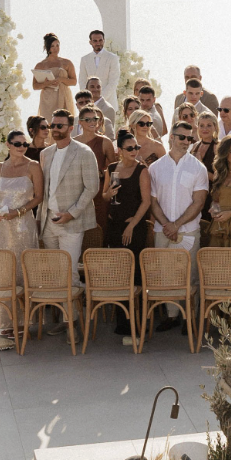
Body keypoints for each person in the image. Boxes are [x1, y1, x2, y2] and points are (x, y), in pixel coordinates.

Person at [148, 120, 208, 330]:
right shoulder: (155, 168)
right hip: (162, 230)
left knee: (190, 275)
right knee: (166, 275)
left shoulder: (198, 168)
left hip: (188, 231)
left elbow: (199, 202)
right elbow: (152, 201)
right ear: (171, 137)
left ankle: (189, 318)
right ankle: (172, 316)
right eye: (182, 137)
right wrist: (167, 225)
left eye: (190, 138)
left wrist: (177, 225)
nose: (186, 141)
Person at [0, 130, 44, 348]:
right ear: (8, 145)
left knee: (23, 269)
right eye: (17, 144)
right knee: (5, 271)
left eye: (25, 144)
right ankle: (6, 321)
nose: (22, 147)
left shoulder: (33, 166)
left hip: (24, 227)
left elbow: (39, 197)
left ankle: (25, 321)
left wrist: (18, 213)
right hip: (3, 227)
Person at [37, 110, 99, 297]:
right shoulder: (46, 153)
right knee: (54, 272)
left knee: (70, 272)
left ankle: (72, 314)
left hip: (72, 222)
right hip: (49, 221)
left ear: (71, 128)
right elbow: (44, 189)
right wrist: (40, 218)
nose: (55, 129)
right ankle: (60, 312)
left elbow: (92, 187)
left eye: (59, 125)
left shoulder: (84, 152)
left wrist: (71, 214)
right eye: (52, 125)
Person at [102, 129, 151, 342]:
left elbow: (146, 201)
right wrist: (109, 194)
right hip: (114, 226)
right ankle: (122, 322)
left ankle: (137, 324)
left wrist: (132, 225)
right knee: (120, 273)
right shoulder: (112, 169)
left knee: (136, 274)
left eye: (136, 147)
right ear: (120, 150)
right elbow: (104, 196)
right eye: (129, 148)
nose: (134, 151)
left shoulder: (142, 170)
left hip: (134, 227)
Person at [76, 107, 118, 239]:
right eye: (88, 119)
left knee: (100, 227)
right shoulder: (73, 143)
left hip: (99, 191)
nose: (92, 122)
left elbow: (114, 169)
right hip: (78, 191)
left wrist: (102, 173)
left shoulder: (105, 142)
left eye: (95, 119)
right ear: (80, 122)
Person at [33, 34, 76, 121]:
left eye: (57, 45)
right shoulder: (40, 65)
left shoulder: (67, 62)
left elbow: (74, 81)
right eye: (52, 46)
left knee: (65, 121)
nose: (55, 48)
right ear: (47, 47)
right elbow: (35, 86)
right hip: (47, 99)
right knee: (48, 122)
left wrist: (61, 80)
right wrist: (46, 83)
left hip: (63, 96)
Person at [78, 30, 120, 102]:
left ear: (104, 41)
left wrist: (99, 98)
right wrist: (87, 97)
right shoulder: (84, 59)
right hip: (89, 101)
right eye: (95, 41)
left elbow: (113, 81)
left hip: (109, 101)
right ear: (90, 42)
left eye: (100, 40)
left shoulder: (112, 58)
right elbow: (82, 80)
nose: (98, 43)